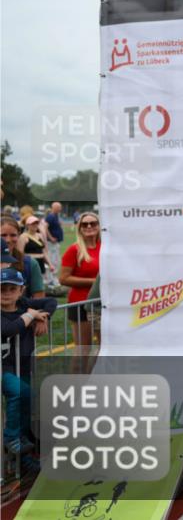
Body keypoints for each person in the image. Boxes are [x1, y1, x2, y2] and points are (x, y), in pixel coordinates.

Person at [2, 267, 56, 474]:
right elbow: (8, 329)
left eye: (11, 289)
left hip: (21, 364)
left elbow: (50, 302)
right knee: (22, 393)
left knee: (28, 400)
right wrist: (31, 315)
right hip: (4, 368)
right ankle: (11, 437)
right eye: (1, 289)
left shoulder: (23, 304)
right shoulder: (25, 310)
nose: (6, 293)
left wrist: (44, 318)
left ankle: (21, 452)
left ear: (21, 290)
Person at [60, 211, 101, 348]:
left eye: (93, 223)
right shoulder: (74, 250)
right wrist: (95, 282)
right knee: (83, 350)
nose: (89, 226)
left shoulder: (106, 247)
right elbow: (63, 279)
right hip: (80, 304)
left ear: (99, 226)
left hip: (103, 303)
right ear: (80, 228)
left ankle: (95, 371)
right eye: (84, 224)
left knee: (103, 348)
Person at [1, 221, 44, 299]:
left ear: (19, 236)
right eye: (3, 235)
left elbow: (38, 298)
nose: (8, 240)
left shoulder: (30, 264)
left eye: (13, 235)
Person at [18, 216, 49, 280]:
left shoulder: (40, 236)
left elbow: (44, 252)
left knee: (40, 282)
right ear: (27, 225)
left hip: (41, 262)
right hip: (29, 262)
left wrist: (50, 264)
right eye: (33, 223)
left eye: (37, 223)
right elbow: (20, 253)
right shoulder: (23, 236)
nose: (35, 225)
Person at [44, 201, 64, 288]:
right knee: (53, 261)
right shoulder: (51, 216)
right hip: (51, 243)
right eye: (59, 207)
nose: (60, 209)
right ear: (54, 207)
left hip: (55, 243)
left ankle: (51, 279)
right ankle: (51, 280)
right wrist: (51, 237)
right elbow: (45, 227)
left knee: (55, 261)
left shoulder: (55, 216)